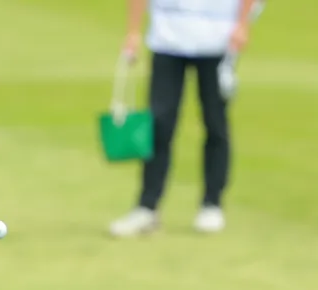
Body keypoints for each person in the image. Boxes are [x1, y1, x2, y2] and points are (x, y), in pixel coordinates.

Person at [109, 0, 261, 238]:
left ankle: (212, 203)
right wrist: (133, 31)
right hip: (167, 37)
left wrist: (242, 24)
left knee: (215, 124)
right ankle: (147, 207)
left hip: (217, 40)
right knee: (160, 124)